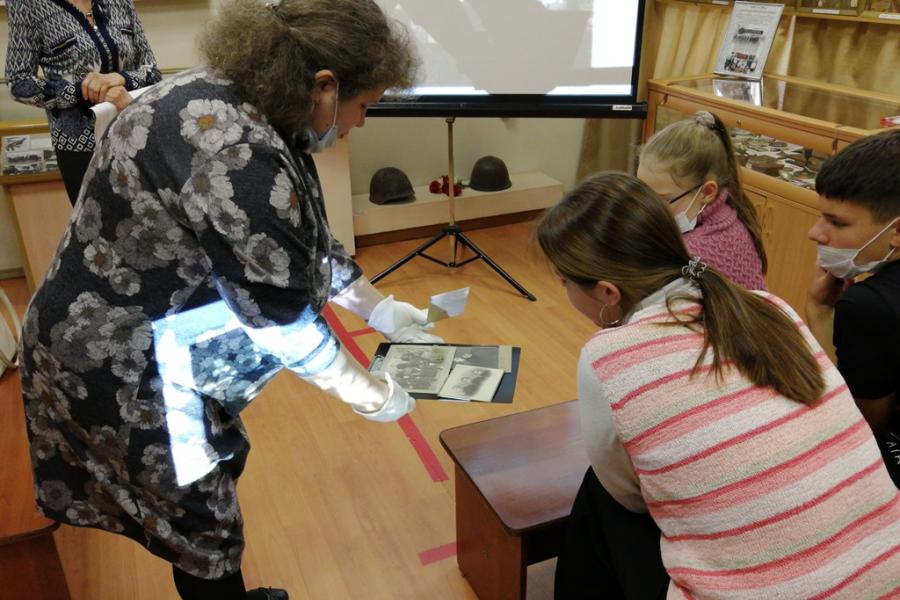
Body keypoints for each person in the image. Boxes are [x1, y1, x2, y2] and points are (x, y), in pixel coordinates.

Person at [17, 1, 439, 599]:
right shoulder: (233, 147)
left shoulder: (235, 99)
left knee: (210, 480)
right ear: (324, 85)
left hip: (153, 335)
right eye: (364, 105)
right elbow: (281, 320)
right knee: (200, 522)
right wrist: (367, 391)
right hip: (121, 360)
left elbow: (296, 237)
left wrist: (375, 308)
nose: (360, 123)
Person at [540, 172, 900, 599]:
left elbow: (628, 495)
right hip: (886, 574)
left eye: (565, 283)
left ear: (607, 292)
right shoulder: (770, 307)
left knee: (602, 494)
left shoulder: (607, 355)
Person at [806, 129, 900, 488]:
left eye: (837, 222)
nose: (816, 233)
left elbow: (855, 423)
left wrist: (817, 310)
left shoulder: (868, 306)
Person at [5, 0, 161, 205]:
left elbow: (153, 73)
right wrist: (80, 91)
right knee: (99, 229)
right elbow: (19, 82)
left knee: (149, 220)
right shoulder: (27, 4)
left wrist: (122, 78)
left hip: (132, 133)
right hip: (81, 150)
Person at [637, 110, 767, 290]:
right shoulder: (726, 215)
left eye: (661, 200)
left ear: (706, 192)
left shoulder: (695, 254)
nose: (648, 209)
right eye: (642, 193)